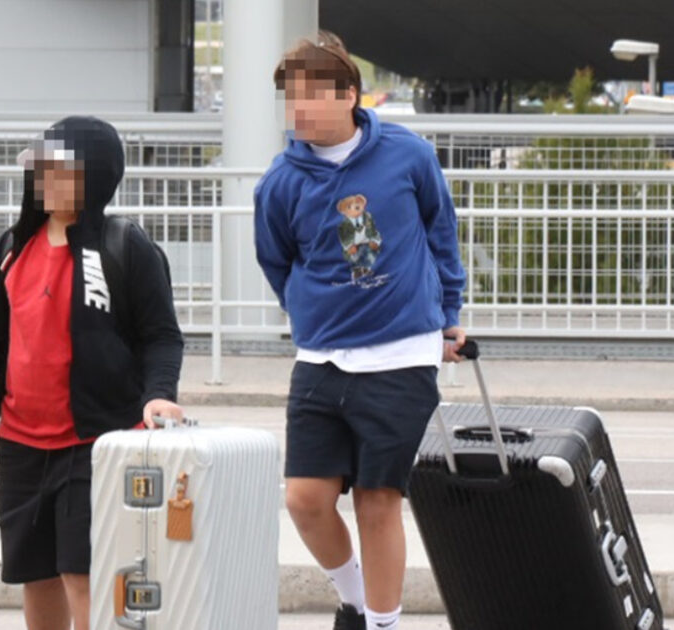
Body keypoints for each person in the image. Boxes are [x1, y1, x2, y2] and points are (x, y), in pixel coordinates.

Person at [254, 32, 468, 630]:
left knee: (378, 501)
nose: (298, 109)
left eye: (311, 95)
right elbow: (277, 261)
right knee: (304, 499)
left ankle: (382, 624)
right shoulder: (280, 181)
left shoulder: (408, 155)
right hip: (321, 358)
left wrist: (449, 313)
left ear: (349, 94)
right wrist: (310, 310)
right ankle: (354, 600)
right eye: (291, 98)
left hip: (402, 354)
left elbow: (441, 232)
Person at [0, 116, 184, 630]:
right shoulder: (10, 248)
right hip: (20, 443)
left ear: (94, 177)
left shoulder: (125, 246)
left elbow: (163, 336)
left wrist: (159, 393)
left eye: (61, 171)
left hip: (94, 440)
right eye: (42, 170)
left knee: (83, 572)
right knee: (37, 575)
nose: (46, 182)